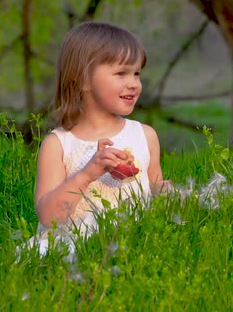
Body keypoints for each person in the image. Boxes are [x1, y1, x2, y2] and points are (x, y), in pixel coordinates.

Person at [28, 21, 171, 256]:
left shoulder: (145, 136)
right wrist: (88, 174)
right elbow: (49, 217)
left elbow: (153, 193)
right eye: (121, 73)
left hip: (131, 244)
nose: (134, 83)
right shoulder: (59, 145)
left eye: (136, 73)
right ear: (83, 80)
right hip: (71, 245)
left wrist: (168, 194)